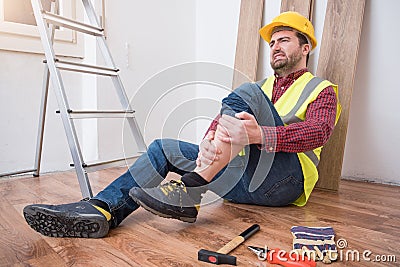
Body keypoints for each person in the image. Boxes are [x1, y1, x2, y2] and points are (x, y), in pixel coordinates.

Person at [23, 11, 341, 238]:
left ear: (305, 47)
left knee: (244, 94)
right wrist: (209, 140)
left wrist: (257, 133)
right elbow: (226, 121)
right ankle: (102, 210)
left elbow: (318, 132)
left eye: (283, 40)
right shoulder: (260, 90)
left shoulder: (321, 90)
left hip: (283, 184)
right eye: (272, 43)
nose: (275, 47)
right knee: (163, 148)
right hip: (239, 183)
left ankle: (189, 190)